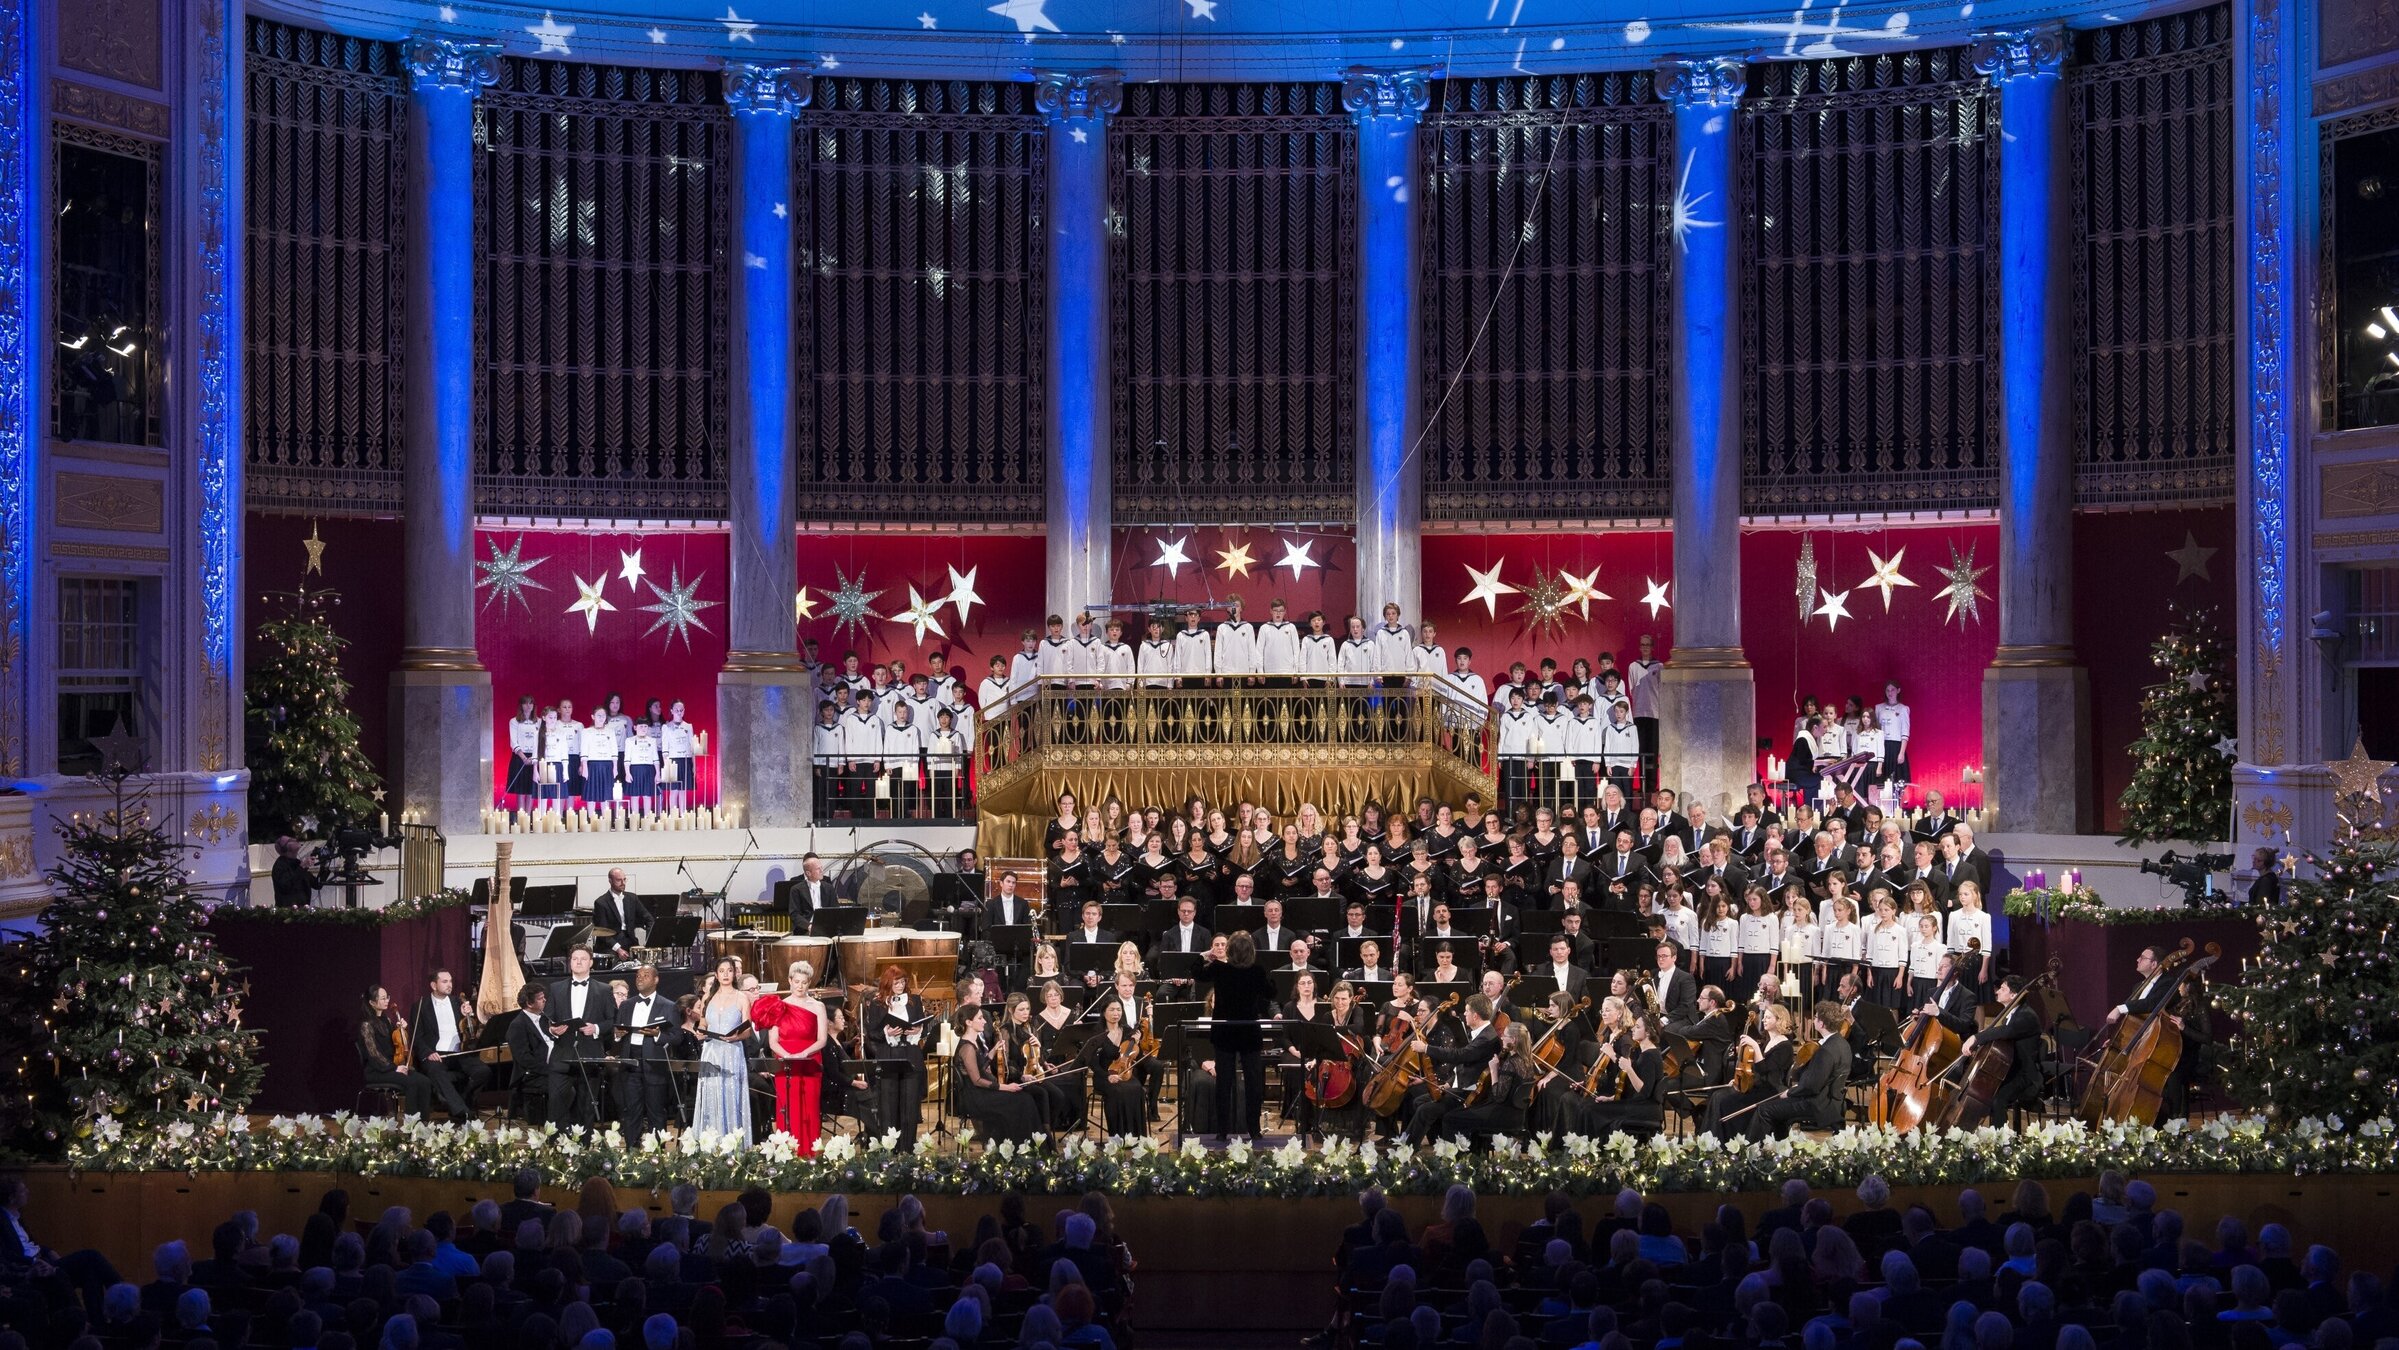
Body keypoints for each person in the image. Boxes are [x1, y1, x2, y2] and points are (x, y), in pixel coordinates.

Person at [1192, 931, 1276, 1140]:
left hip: (1225, 1031)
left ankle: (1222, 1132)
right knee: (1253, 1082)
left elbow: (1197, 973)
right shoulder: (1257, 970)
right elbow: (1272, 993)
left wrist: (1205, 955)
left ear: (1229, 950)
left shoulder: (1220, 969)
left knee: (1224, 1083)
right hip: (1248, 1031)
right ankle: (1254, 1130)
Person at [1748, 1001, 1854, 1140]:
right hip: (1832, 1100)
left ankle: (1752, 1151)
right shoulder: (1843, 1044)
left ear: (1821, 1024)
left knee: (1764, 1110)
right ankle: (1779, 1146)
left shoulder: (1826, 1051)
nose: (1814, 1020)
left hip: (1818, 1104)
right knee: (1776, 1110)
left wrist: (1790, 1092)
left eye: (1815, 1017)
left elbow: (1811, 1087)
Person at [754, 960, 827, 1154]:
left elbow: (822, 1039)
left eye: (804, 982)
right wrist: (788, 1056)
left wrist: (804, 1054)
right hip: (785, 1063)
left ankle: (810, 1152)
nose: (800, 986)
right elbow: (773, 1041)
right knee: (788, 1107)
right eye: (796, 981)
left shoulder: (818, 1006)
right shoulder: (780, 1006)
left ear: (809, 982)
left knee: (810, 1107)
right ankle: (786, 1153)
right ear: (789, 981)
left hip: (810, 1061)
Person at [546, 947, 620, 1129]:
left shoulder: (603, 990)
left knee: (586, 1105)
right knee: (556, 1104)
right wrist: (552, 1030)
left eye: (583, 959)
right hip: (562, 1054)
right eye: (574, 958)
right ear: (569, 962)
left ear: (591, 963)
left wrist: (596, 1028)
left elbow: (613, 1020)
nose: (578, 962)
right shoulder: (556, 988)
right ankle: (555, 1149)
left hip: (590, 1054)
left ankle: (583, 1148)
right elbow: (546, 1019)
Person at [1960, 974, 2045, 1126]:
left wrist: (1975, 1038)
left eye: (2002, 989)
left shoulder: (2027, 1016)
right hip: (2009, 1070)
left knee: (1997, 1098)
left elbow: (2006, 1031)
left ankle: (2002, 1141)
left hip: (2025, 1075)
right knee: (1987, 1091)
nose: (1997, 991)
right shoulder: (2009, 1014)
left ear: (2013, 995)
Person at [950, 1004, 1044, 1143]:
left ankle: (1021, 1145)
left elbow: (980, 1066)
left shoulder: (972, 1042)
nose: (985, 1021)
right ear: (969, 1023)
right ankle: (1020, 1146)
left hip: (980, 1092)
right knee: (1023, 1101)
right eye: (980, 1018)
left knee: (1026, 1098)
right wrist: (1006, 1087)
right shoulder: (967, 1047)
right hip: (976, 1097)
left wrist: (993, 1051)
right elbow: (977, 1080)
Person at [408, 969, 490, 1122]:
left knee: (483, 1071)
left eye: (450, 981)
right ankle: (462, 1111)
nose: (449, 985)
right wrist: (427, 1053)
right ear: (433, 985)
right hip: (436, 1053)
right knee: (436, 1071)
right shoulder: (420, 1005)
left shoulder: (457, 1002)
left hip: (459, 1053)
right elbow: (416, 1037)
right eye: (444, 981)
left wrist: (469, 1016)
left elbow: (471, 1033)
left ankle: (461, 1102)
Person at [865, 967, 931, 1147]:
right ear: (888, 983)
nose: (900, 985)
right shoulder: (878, 1003)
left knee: (910, 1104)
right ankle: (890, 1148)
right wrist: (887, 1032)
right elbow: (872, 1033)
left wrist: (918, 1030)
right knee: (888, 1104)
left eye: (902, 982)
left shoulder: (914, 1000)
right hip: (889, 1056)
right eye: (896, 983)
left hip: (910, 1054)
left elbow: (921, 1023)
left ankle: (908, 1147)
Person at [613, 964, 680, 1138]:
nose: (640, 978)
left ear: (656, 979)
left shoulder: (668, 1006)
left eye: (645, 975)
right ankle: (631, 1153)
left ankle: (657, 1156)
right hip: (630, 1064)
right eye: (637, 975)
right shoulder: (626, 1005)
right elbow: (617, 1033)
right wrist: (618, 1035)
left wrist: (658, 1034)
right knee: (631, 1111)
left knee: (656, 1112)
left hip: (654, 1065)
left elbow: (676, 1037)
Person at [686, 959, 750, 1140]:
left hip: (732, 1052)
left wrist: (737, 1037)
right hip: (711, 1051)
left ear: (734, 974)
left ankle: (733, 1144)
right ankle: (710, 1144)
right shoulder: (708, 997)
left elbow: (747, 1029)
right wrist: (701, 1032)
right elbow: (704, 1023)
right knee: (711, 1096)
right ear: (716, 975)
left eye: (729, 970)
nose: (726, 974)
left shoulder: (741, 997)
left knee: (730, 1096)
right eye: (721, 971)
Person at [357, 986, 433, 1117]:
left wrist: (402, 1029)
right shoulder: (366, 1025)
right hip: (376, 1071)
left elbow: (397, 1044)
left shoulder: (386, 1020)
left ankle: (424, 1122)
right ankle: (411, 1124)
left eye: (387, 997)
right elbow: (374, 1054)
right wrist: (394, 1068)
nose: (387, 1000)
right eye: (383, 998)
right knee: (412, 1082)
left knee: (425, 1081)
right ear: (372, 1002)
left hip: (393, 1067)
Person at [1083, 998, 1151, 1137]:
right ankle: (1118, 1136)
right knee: (1117, 1090)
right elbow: (1092, 1063)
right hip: (1103, 1076)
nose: (1116, 1013)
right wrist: (1107, 1076)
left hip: (1125, 1073)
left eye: (1119, 1010)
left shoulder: (1127, 1031)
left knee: (1136, 1088)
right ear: (1103, 1013)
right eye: (1112, 1010)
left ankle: (1137, 1136)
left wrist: (1136, 1042)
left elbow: (1135, 1057)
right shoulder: (1096, 1033)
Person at [506, 983, 554, 1124]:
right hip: (531, 1076)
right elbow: (524, 1059)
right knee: (563, 1086)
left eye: (544, 997)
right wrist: (550, 1070)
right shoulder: (517, 1025)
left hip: (549, 1067)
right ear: (529, 1003)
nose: (544, 1000)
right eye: (540, 998)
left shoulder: (544, 1019)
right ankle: (556, 1124)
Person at [590, 869, 650, 957]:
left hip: (630, 941)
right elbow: (602, 932)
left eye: (624, 879)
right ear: (610, 881)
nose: (623, 883)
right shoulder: (601, 903)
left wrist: (649, 941)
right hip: (610, 945)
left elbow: (649, 919)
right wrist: (618, 949)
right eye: (619, 880)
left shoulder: (632, 898)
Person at [272, 836, 324, 909]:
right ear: (286, 849)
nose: (295, 840)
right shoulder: (280, 865)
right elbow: (286, 886)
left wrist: (324, 866)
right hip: (287, 911)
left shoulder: (297, 863)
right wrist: (302, 867)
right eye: (291, 840)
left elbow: (317, 885)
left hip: (303, 910)